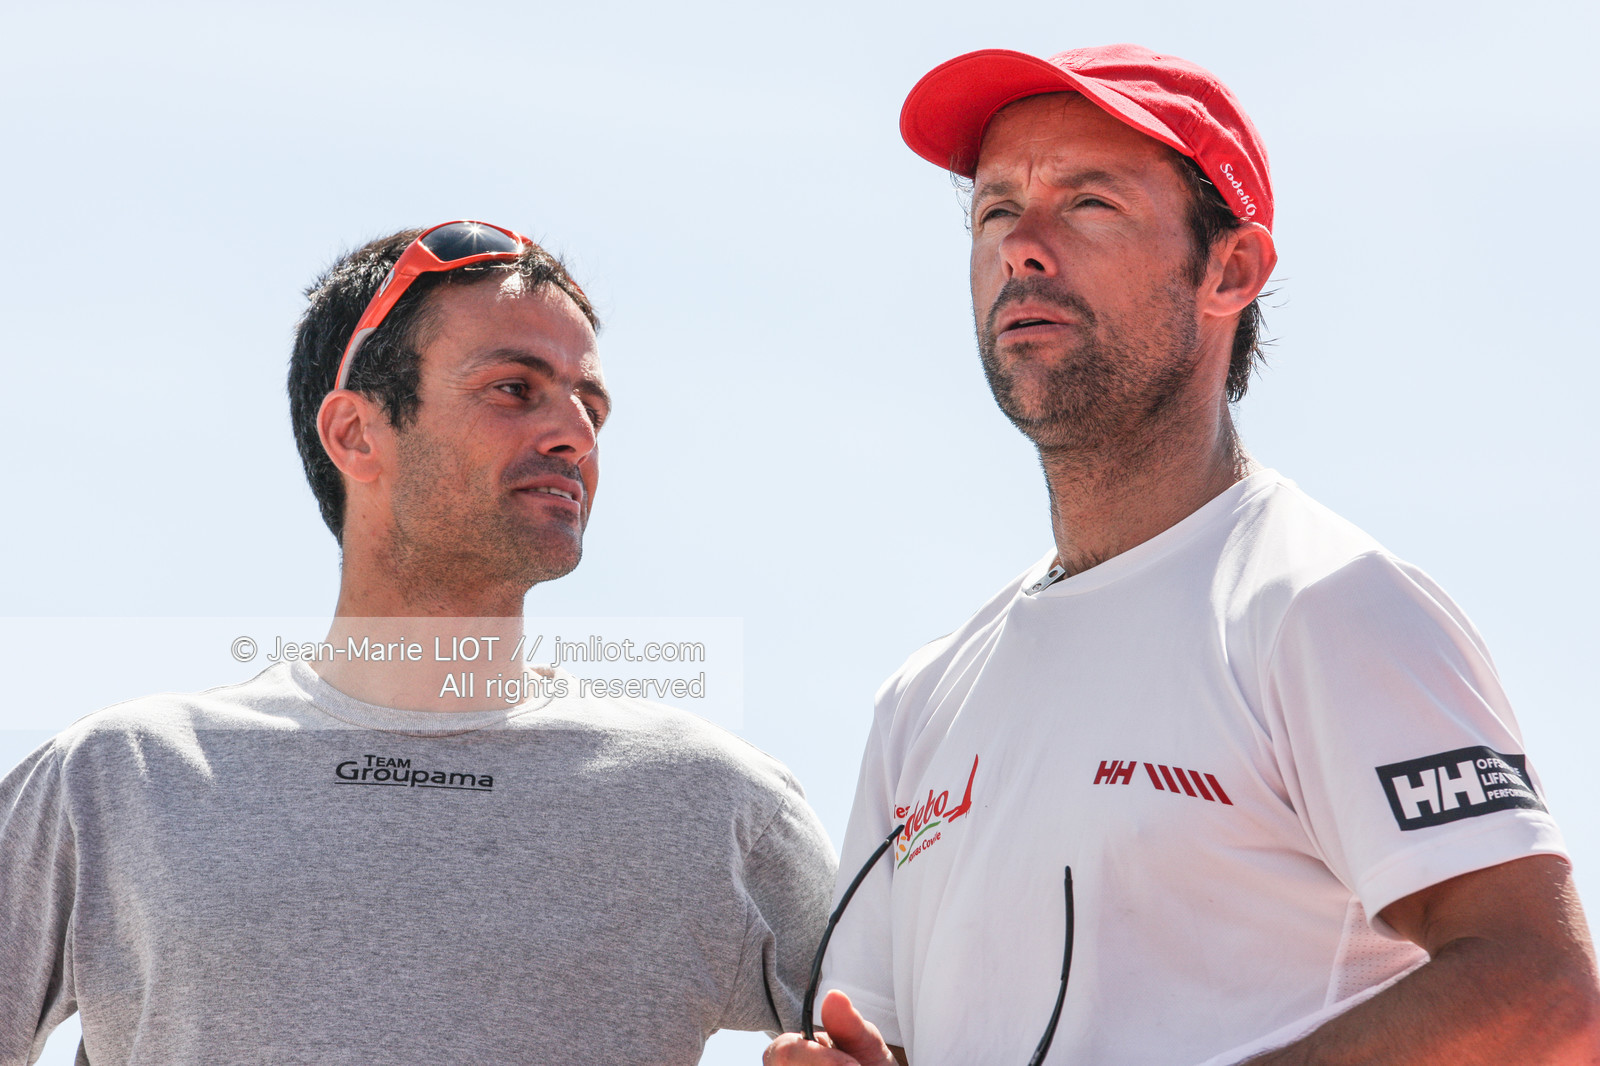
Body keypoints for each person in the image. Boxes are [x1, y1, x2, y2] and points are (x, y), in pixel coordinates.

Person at [768, 46, 1600, 1066]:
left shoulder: (1322, 604)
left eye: (1088, 205)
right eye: (993, 212)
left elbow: (1545, 994)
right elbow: (879, 1039)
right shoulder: (918, 700)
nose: (1022, 248)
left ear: (1229, 269)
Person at [0, 221, 835, 1064]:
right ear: (356, 434)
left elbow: (914, 1036)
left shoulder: (715, 802)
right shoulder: (119, 780)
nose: (576, 433)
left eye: (593, 403)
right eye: (515, 388)